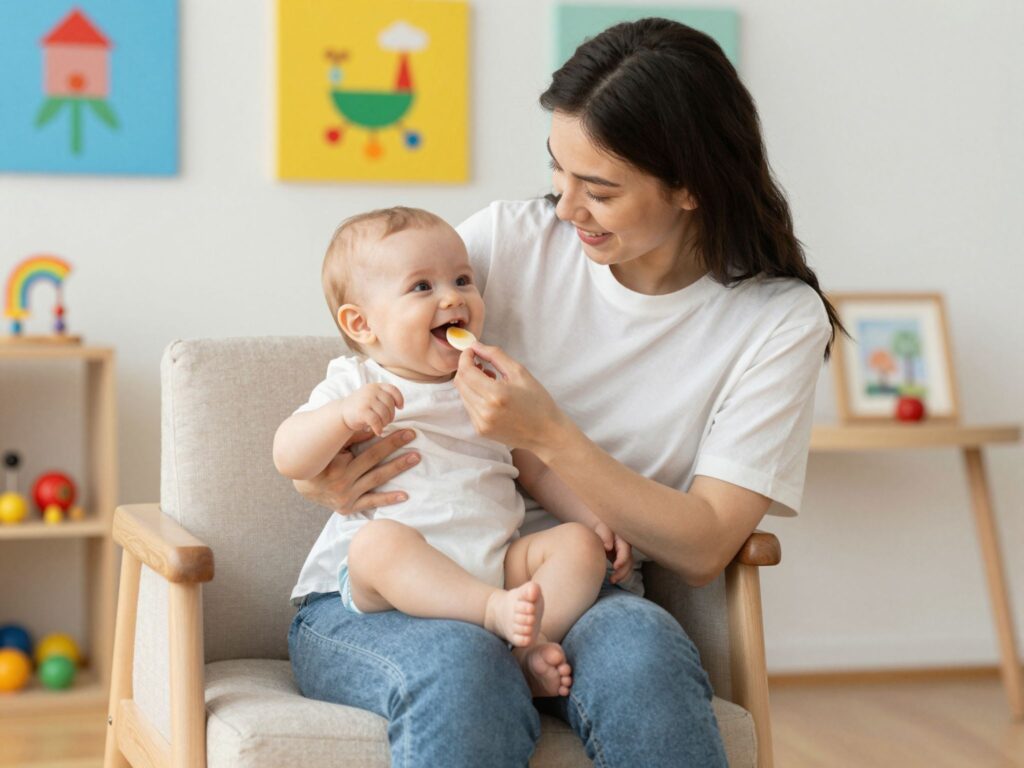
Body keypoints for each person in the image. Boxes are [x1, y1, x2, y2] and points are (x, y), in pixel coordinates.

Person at [289, 17, 845, 767]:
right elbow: (380, 337)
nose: (564, 209)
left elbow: (709, 542)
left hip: (565, 588)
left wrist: (550, 435)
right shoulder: (504, 243)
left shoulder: (774, 320)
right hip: (400, 590)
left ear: (690, 187)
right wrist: (325, 471)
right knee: (462, 663)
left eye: (599, 190)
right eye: (558, 172)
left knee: (642, 647)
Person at [277, 206, 633, 699]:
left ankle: (529, 646)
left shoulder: (488, 386)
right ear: (361, 324)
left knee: (576, 545)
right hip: (394, 584)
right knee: (377, 545)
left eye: (463, 280)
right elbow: (289, 455)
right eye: (422, 287)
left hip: (495, 561)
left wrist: (594, 522)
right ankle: (493, 613)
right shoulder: (356, 382)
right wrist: (342, 418)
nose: (452, 297)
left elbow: (537, 469)